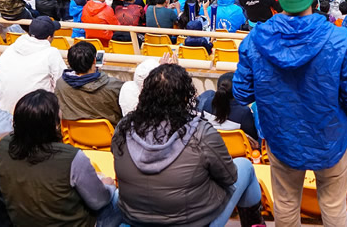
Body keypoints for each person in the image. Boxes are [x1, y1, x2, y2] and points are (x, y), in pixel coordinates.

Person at [234, 0, 347, 227]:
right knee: (333, 207)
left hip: (283, 139)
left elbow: (242, 93)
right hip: (330, 137)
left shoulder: (255, 40)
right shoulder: (339, 39)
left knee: (286, 207)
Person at [114, 64, 264, 227]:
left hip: (135, 218)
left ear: (144, 95)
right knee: (245, 166)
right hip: (193, 221)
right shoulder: (201, 132)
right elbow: (230, 177)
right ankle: (255, 223)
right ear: (186, 97)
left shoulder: (123, 128)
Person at [0, 90, 120, 227]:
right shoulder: (71, 157)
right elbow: (99, 201)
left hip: (21, 221)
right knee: (120, 197)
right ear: (54, 125)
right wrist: (108, 186)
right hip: (76, 222)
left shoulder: (3, 146)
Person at [0, 16, 66, 113]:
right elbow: (61, 84)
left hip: (6, 111)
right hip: (37, 114)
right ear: (49, 37)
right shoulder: (51, 53)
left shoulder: (10, 49)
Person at [55, 40, 124, 125]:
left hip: (74, 135)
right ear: (95, 61)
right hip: (110, 135)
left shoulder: (60, 84)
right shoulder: (114, 86)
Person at [198, 71, 259, 141]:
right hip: (236, 151)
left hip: (209, 145)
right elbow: (253, 137)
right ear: (237, 91)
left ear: (218, 88)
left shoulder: (207, 103)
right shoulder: (243, 112)